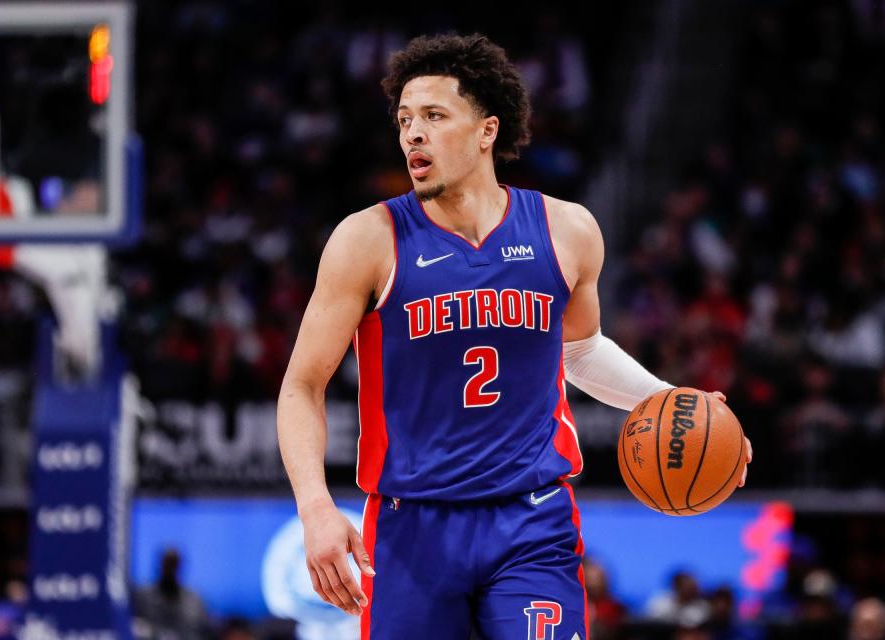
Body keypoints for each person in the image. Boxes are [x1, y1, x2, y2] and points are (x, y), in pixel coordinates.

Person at [277, 32, 752, 639]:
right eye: (404, 120)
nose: (412, 134)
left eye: (434, 116)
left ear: (487, 131)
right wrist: (316, 508)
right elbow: (302, 386)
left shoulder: (568, 230)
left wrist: (674, 402)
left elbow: (580, 352)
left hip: (531, 520)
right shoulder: (367, 240)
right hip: (411, 524)